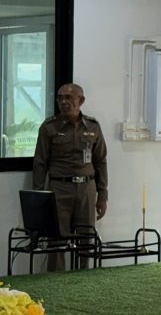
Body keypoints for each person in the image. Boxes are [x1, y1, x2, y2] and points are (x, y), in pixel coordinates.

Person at [32, 82, 108, 270]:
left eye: (69, 98)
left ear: (80, 101)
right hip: (59, 189)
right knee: (57, 239)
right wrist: (38, 197)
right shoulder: (49, 127)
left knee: (86, 238)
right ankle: (56, 280)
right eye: (60, 98)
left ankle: (84, 277)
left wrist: (102, 194)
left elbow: (100, 161)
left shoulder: (93, 126)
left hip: (86, 189)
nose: (64, 102)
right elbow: (40, 163)